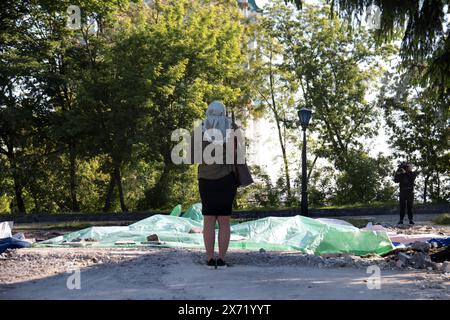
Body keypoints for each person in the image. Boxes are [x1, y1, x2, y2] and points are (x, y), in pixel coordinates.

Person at [192, 101, 241, 269]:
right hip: (227, 179)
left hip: (206, 179)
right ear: (223, 112)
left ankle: (210, 258)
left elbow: (193, 155)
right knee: (225, 220)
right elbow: (239, 152)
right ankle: (221, 259)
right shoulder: (232, 127)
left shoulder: (201, 128)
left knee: (209, 220)